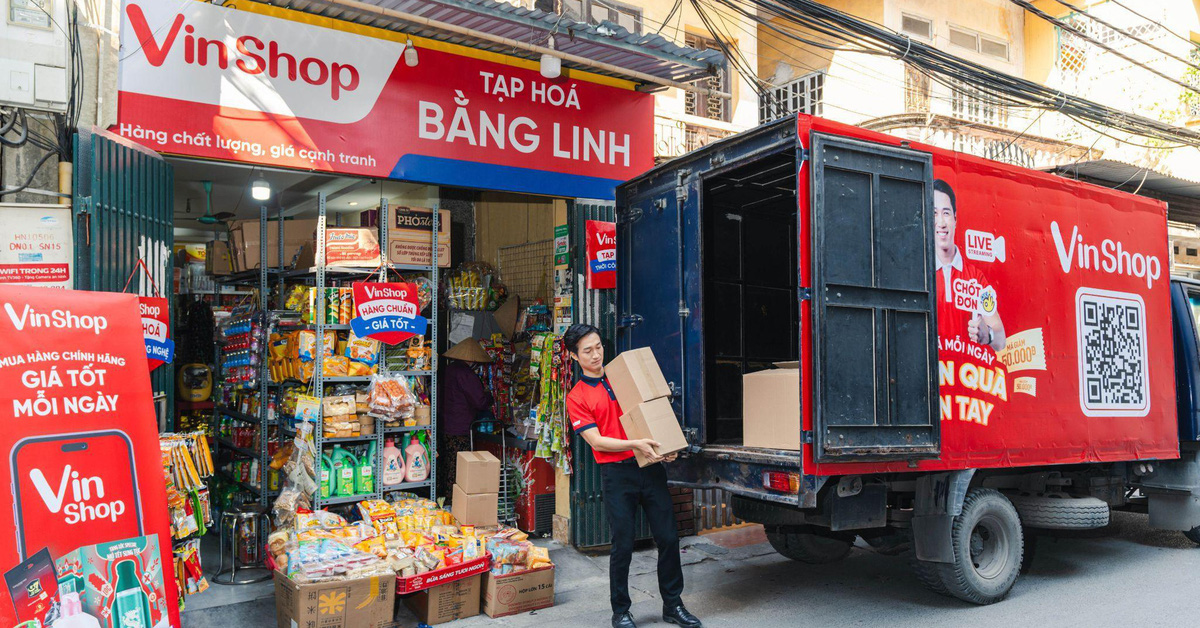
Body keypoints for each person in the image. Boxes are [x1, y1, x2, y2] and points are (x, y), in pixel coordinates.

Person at [563, 324, 702, 628]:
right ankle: (621, 611)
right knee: (622, 544)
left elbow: (651, 412)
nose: (596, 354)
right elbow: (597, 441)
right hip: (617, 474)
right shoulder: (577, 397)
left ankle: (673, 605)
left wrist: (665, 446)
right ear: (574, 356)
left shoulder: (622, 377)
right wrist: (637, 445)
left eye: (598, 346)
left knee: (667, 537)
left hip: (650, 468)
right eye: (587, 350)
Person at [934, 179, 1006, 352]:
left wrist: (987, 334)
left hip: (966, 376)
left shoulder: (975, 277)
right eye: (934, 213)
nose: (941, 222)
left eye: (946, 213)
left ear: (955, 219)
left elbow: (1001, 338)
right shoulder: (918, 274)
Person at [437, 338, 494, 497]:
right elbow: (479, 401)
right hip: (459, 427)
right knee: (458, 468)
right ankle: (453, 501)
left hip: (443, 424)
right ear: (471, 359)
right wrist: (489, 396)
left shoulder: (448, 370)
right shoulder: (466, 374)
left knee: (445, 465)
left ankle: (442, 498)